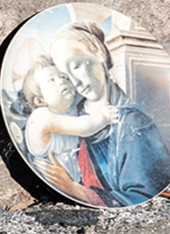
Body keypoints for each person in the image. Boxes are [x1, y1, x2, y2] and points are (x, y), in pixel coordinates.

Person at [42, 21, 170, 207]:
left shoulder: (133, 123)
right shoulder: (74, 115)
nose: (75, 83)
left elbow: (142, 193)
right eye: (65, 75)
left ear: (98, 54)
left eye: (75, 66)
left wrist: (75, 190)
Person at [18, 55, 120, 183]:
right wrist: (104, 118)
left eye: (64, 77)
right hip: (47, 181)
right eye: (52, 81)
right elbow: (82, 128)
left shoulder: (68, 109)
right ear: (40, 100)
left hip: (74, 180)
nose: (62, 81)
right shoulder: (42, 117)